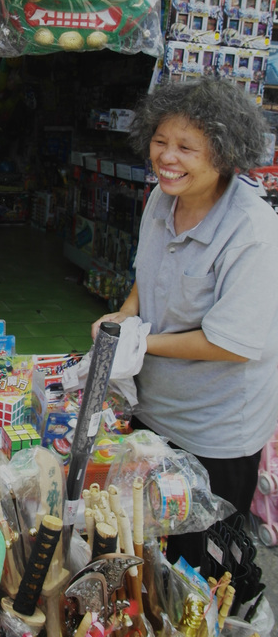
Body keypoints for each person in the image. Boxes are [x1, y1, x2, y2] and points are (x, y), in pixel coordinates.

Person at [92, 77, 278, 566]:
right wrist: (125, 315)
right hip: (153, 410)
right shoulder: (162, 198)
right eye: (160, 142)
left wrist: (138, 341)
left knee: (201, 564)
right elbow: (147, 274)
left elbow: (231, 343)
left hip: (215, 431)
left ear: (223, 153)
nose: (167, 158)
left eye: (186, 148)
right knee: (146, 543)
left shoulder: (253, 234)